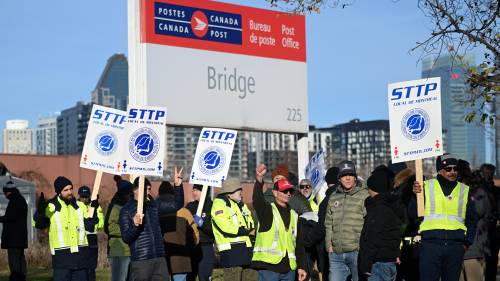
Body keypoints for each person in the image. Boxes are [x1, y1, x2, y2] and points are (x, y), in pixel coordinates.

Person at [412, 154, 479, 281]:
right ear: (440, 170)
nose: (453, 172)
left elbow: (472, 219)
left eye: (455, 168)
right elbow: (412, 213)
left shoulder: (464, 190)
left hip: (455, 247)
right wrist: (414, 196)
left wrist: (466, 243)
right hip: (431, 245)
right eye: (448, 169)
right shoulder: (425, 187)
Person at [119, 168, 184, 281]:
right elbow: (126, 237)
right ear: (134, 190)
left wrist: (177, 186)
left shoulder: (154, 205)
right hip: (141, 260)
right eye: (143, 189)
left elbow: (176, 205)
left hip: (159, 258)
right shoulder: (126, 210)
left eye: (148, 189)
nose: (147, 192)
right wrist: (135, 225)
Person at [33, 176, 97, 281]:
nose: (70, 192)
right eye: (66, 190)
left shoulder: (80, 206)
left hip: (81, 259)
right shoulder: (51, 206)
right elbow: (38, 224)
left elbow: (90, 226)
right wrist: (40, 212)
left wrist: (93, 210)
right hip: (62, 260)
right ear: (59, 192)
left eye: (71, 189)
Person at [252, 163, 308, 281]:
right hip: (269, 269)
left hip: (289, 270)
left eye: (290, 191)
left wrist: (302, 266)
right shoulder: (267, 211)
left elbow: (299, 245)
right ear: (275, 192)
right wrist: (259, 180)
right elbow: (257, 200)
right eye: (284, 191)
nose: (288, 193)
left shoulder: (294, 215)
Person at [324, 160, 369, 281]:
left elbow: (369, 223)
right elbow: (328, 223)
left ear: (355, 177)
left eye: (350, 175)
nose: (348, 178)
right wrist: (329, 245)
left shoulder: (365, 195)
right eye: (344, 175)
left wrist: (362, 247)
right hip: (336, 254)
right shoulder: (333, 197)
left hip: (357, 252)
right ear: (339, 178)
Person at [358, 165, 403, 281]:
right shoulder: (390, 205)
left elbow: (373, 237)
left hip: (378, 262)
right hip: (389, 260)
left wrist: (366, 264)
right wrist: (396, 253)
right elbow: (394, 233)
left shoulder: (378, 208)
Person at [211, 178, 255, 281]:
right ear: (229, 193)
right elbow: (226, 227)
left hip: (246, 249)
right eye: (238, 190)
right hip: (231, 252)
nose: (241, 192)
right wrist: (247, 231)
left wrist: (249, 230)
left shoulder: (241, 205)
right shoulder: (219, 204)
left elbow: (250, 223)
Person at [158, 181, 199, 281]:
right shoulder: (184, 212)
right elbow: (195, 235)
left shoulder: (154, 210)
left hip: (161, 258)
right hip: (181, 258)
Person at [459, 171, 491, 281]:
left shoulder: (479, 195)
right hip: (456, 251)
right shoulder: (458, 194)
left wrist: (470, 198)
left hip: (473, 251)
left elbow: (478, 212)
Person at [104, 178, 134, 281]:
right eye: (130, 193)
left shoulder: (128, 206)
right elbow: (109, 227)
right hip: (118, 249)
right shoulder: (115, 207)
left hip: (128, 250)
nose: (132, 195)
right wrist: (128, 231)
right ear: (124, 193)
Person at [185, 184, 215, 281]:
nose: (194, 193)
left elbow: (214, 231)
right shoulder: (190, 206)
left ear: (205, 191)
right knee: (189, 277)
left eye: (197, 190)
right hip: (192, 247)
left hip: (206, 247)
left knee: (204, 277)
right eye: (193, 190)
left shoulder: (212, 206)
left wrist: (202, 224)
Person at [0, 179, 28, 281]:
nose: (5, 195)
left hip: (13, 239)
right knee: (20, 260)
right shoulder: (21, 199)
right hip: (20, 238)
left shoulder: (14, 201)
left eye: (5, 192)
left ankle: (16, 278)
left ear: (9, 191)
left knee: (14, 262)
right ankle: (21, 278)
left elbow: (10, 217)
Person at [77, 186, 104, 281]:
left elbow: (101, 224)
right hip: (81, 239)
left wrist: (95, 210)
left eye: (86, 197)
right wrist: (90, 222)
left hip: (92, 239)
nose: (84, 199)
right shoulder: (75, 206)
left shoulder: (95, 206)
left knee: (92, 268)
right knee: (81, 268)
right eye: (82, 197)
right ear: (79, 196)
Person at [480, 163, 500, 281]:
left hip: (493, 232)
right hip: (480, 233)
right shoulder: (476, 190)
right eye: (486, 173)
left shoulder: (497, 191)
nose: (489, 175)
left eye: (491, 173)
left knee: (492, 264)